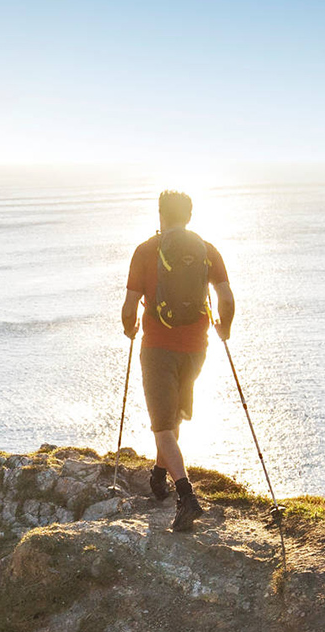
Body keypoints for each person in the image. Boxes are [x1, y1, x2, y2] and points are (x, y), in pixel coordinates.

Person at [121, 191, 235, 532]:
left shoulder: (144, 251)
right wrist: (224, 329)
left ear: (160, 214)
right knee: (173, 417)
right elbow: (226, 298)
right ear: (189, 214)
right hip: (197, 347)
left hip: (158, 346)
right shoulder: (207, 250)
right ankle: (158, 475)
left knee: (163, 426)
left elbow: (129, 306)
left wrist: (131, 327)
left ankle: (186, 496)